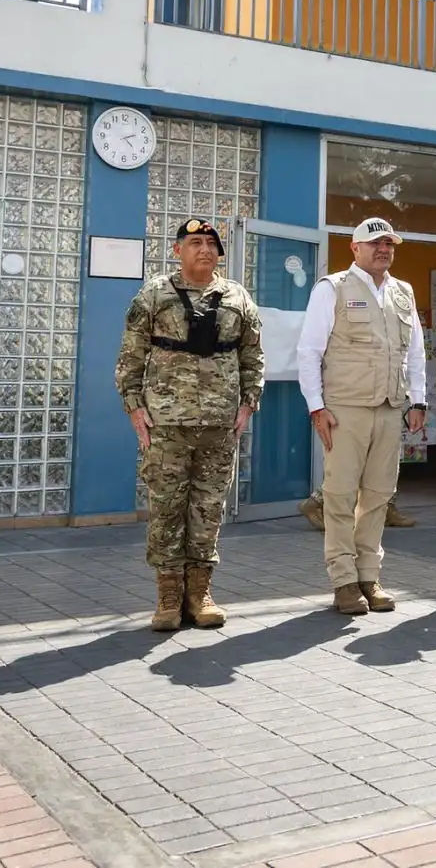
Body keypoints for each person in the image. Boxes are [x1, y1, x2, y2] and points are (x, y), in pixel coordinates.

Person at [116, 219, 264, 632]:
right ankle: (168, 596)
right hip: (166, 424)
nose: (205, 249)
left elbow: (253, 355)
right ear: (177, 249)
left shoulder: (237, 296)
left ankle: (200, 594)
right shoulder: (154, 294)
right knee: (166, 509)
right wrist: (134, 408)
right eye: (195, 242)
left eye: (211, 243)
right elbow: (130, 356)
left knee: (208, 510)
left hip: (219, 425)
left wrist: (248, 403)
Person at [295, 216, 428, 615]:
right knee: (339, 496)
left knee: (378, 496)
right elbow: (309, 351)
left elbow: (415, 352)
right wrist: (316, 406)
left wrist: (418, 401)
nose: (383, 249)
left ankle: (369, 576)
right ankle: (344, 581)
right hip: (344, 410)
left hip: (389, 409)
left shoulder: (402, 292)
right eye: (375, 243)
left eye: (389, 244)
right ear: (355, 248)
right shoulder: (332, 288)